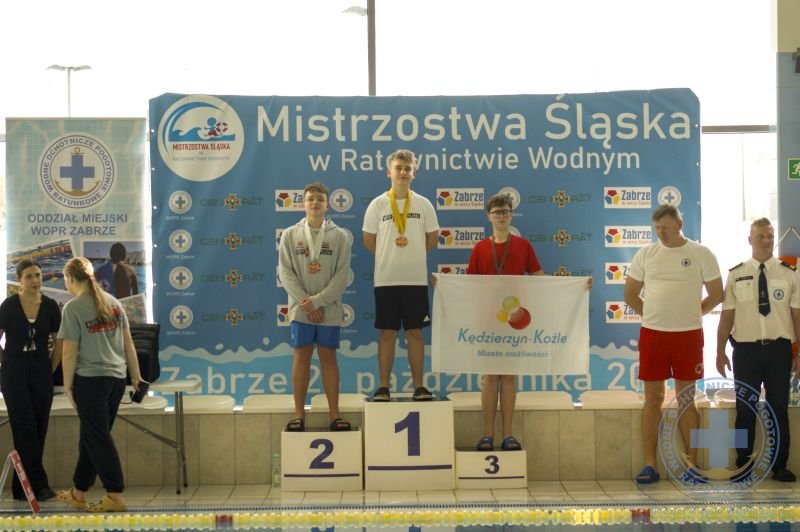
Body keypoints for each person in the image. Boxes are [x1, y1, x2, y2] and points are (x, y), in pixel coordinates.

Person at [624, 204, 723, 484]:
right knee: (653, 399)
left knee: (686, 399)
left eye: (666, 228)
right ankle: (650, 465)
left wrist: (694, 314)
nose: (661, 233)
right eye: (657, 229)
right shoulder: (646, 254)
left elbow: (717, 294)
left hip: (688, 335)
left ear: (679, 225)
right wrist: (653, 316)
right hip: (653, 335)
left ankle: (692, 465)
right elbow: (630, 294)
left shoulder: (701, 253)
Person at [56, 257, 143, 512]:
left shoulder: (73, 308)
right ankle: (79, 492)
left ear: (70, 278)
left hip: (90, 380)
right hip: (116, 379)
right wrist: (136, 376)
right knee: (92, 436)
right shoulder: (114, 302)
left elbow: (68, 353)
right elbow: (129, 343)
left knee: (98, 437)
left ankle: (115, 495)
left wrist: (67, 386)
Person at [716, 218, 800, 482]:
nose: (766, 241)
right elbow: (727, 316)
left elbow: (797, 316)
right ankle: (743, 465)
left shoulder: (789, 273)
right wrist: (719, 351)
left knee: (778, 408)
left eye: (770, 236)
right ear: (749, 240)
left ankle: (780, 466)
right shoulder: (736, 273)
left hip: (779, 351)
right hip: (746, 352)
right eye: (761, 236)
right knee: (745, 409)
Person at [467, 194, 544, 452]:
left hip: (514, 320)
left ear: (511, 215)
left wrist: (575, 286)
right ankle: (487, 434)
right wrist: (443, 285)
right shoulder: (479, 248)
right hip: (489, 320)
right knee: (491, 377)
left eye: (506, 211)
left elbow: (540, 277)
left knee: (509, 377)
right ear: (488, 216)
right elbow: (468, 285)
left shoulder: (523, 245)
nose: (501, 216)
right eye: (497, 212)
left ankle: (508, 435)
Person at [362, 149, 439, 401]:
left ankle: (419, 386)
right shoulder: (378, 204)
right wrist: (389, 257)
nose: (403, 172)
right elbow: (368, 239)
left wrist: (413, 256)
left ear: (414, 173)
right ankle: (383, 387)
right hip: (386, 281)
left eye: (408, 169)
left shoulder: (423, 204)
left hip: (415, 281)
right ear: (389, 172)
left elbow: (432, 238)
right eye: (398, 168)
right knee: (387, 334)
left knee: (415, 333)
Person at [279, 182, 352, 431]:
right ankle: (299, 415)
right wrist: (306, 303)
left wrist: (318, 302)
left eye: (320, 199)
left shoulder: (340, 236)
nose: (315, 203)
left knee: (328, 359)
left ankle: (335, 415)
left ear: (327, 204)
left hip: (328, 310)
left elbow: (342, 276)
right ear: (303, 203)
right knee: (301, 358)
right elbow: (285, 273)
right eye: (310, 199)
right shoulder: (290, 234)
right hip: (301, 310)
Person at [0, 259, 62, 501]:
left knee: (38, 429)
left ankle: (21, 488)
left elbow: (59, 341)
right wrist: (6, 362)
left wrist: (49, 369)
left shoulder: (50, 306)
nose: (35, 280)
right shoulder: (9, 305)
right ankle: (40, 485)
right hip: (14, 374)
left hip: (41, 374)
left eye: (38, 275)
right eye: (29, 276)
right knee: (24, 427)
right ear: (19, 280)